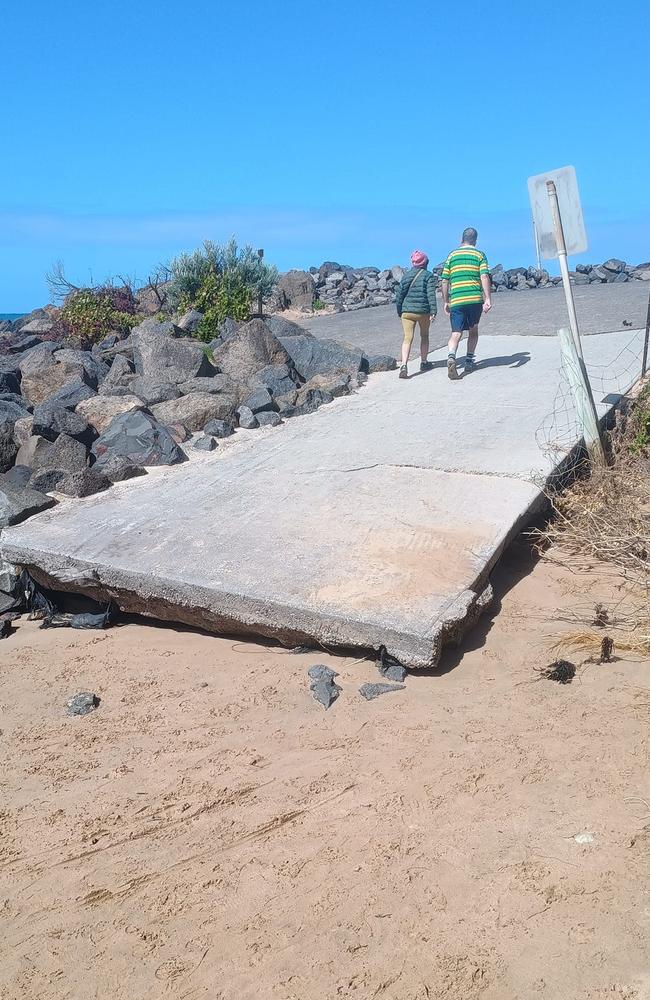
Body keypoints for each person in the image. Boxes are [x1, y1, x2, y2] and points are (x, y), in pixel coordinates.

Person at [440, 227, 492, 380]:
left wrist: (445, 300)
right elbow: (484, 277)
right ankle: (469, 361)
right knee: (473, 330)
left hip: (456, 300)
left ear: (461, 239)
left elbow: (444, 280)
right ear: (475, 240)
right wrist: (487, 298)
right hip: (474, 299)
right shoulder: (479, 255)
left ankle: (451, 356)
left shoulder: (452, 256)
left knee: (456, 332)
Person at [395, 250, 438, 379]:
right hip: (423, 312)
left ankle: (404, 365)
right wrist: (433, 311)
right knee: (424, 336)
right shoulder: (428, 276)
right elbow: (431, 295)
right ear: (425, 263)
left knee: (407, 338)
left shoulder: (406, 276)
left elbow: (399, 295)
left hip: (407, 312)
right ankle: (424, 362)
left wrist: (400, 310)